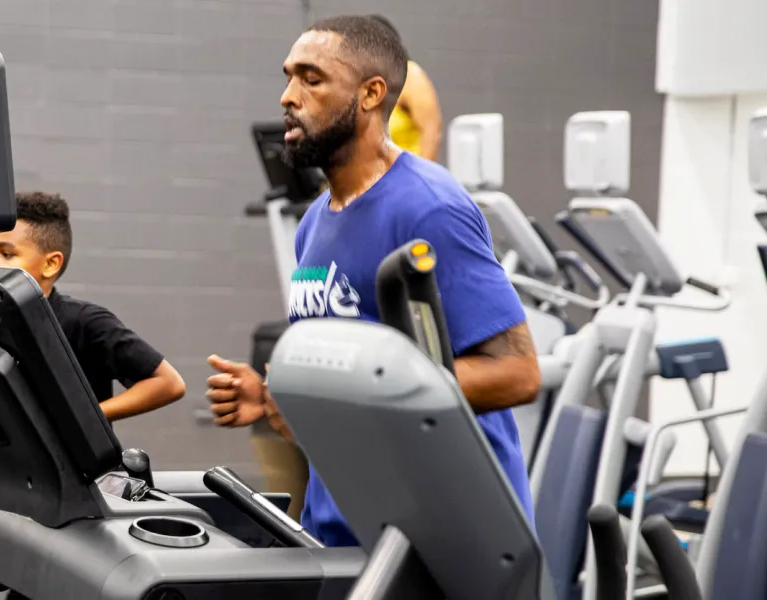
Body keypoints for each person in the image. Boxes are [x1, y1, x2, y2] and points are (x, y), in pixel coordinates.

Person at [205, 15, 540, 548]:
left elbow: (517, 373)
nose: (288, 96)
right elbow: (344, 383)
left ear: (370, 94)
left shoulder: (429, 207)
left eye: (312, 79)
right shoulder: (315, 222)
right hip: (344, 529)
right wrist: (277, 398)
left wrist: (351, 399)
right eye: (289, 78)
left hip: (440, 542)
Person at [0, 191, 186, 428]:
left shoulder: (86, 321)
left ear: (50, 264)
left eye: (6, 254)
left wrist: (81, 419)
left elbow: (169, 383)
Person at [369, 15, 442, 162]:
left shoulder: (410, 76)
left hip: (409, 170)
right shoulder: (369, 82)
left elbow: (431, 132)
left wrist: (421, 173)